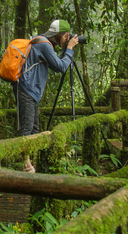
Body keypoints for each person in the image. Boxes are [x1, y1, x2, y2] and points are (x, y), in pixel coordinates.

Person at [14, 19, 80, 173]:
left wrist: (66, 49)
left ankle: (30, 163)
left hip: (30, 91)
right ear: (58, 34)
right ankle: (25, 165)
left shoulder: (42, 43)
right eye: (65, 36)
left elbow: (56, 65)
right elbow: (62, 67)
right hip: (26, 89)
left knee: (35, 128)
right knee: (27, 127)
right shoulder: (43, 44)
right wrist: (69, 49)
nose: (66, 39)